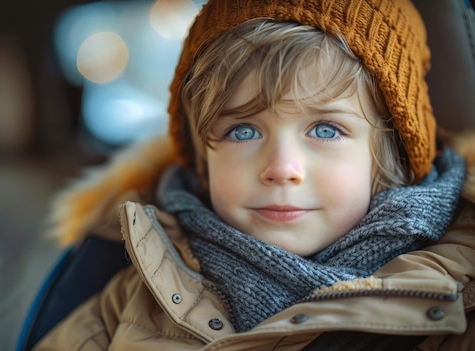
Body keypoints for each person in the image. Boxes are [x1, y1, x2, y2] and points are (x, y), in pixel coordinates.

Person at [35, 0, 475, 349]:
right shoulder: (131, 295)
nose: (281, 168)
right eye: (242, 131)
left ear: (390, 159)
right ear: (203, 163)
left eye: (325, 129)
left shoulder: (458, 298)